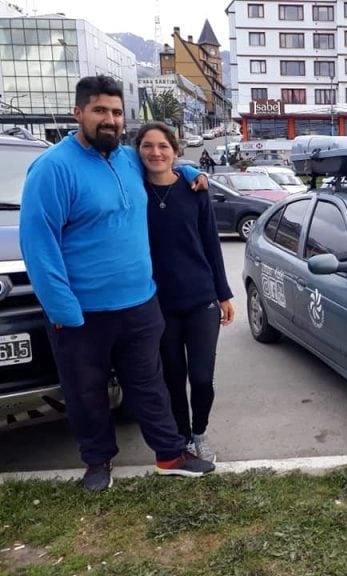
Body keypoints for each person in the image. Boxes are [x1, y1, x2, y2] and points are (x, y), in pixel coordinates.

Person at [19, 75, 215, 492]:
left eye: (115, 112)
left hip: (141, 304)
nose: (109, 120)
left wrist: (194, 169)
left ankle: (170, 455)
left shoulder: (127, 158)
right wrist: (63, 310)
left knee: (149, 385)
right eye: (99, 111)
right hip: (83, 312)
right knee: (87, 392)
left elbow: (166, 162)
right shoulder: (53, 169)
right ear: (79, 113)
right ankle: (97, 462)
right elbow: (39, 245)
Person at [135, 122, 235, 463]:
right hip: (158, 303)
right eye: (147, 146)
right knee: (173, 378)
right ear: (138, 152)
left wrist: (224, 294)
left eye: (163, 146)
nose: (155, 152)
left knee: (202, 377)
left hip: (201, 299)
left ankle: (200, 433)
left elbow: (211, 243)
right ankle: (181, 441)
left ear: (175, 150)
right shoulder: (134, 192)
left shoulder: (196, 190)